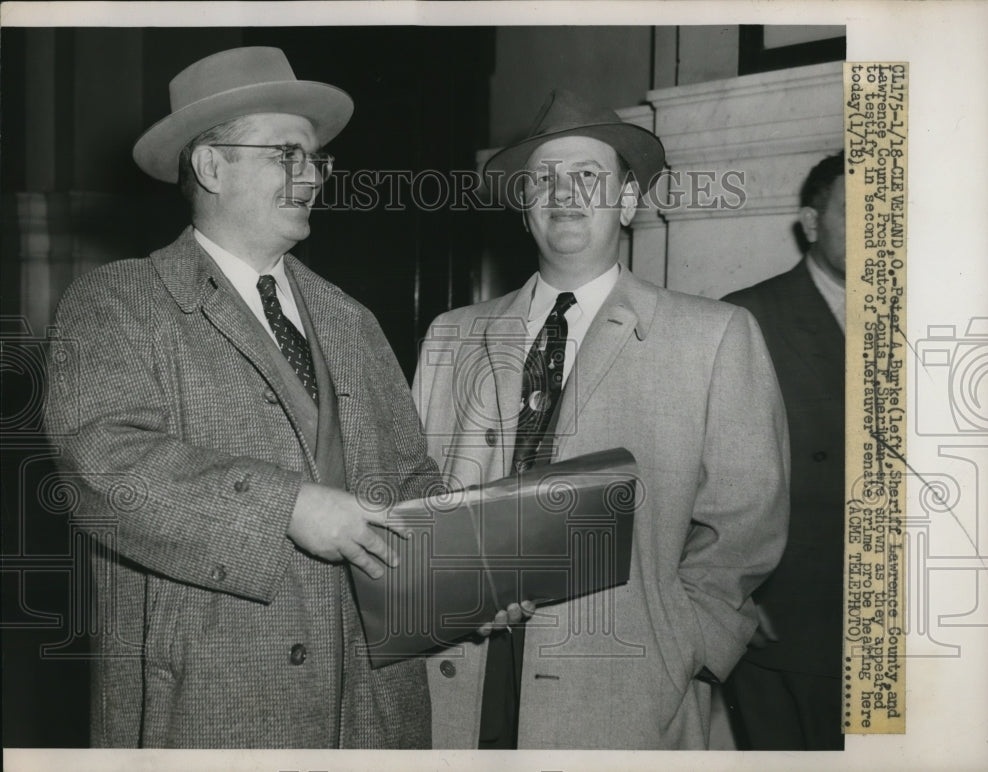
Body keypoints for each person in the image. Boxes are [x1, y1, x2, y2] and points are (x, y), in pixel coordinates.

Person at [43, 46, 436, 748]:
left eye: (317, 160)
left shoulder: (354, 319)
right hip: (208, 713)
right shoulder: (119, 302)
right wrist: (286, 506)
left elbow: (410, 481)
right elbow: (102, 466)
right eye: (288, 154)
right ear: (210, 166)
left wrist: (464, 573)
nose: (312, 175)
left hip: (369, 718)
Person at [412, 89, 790, 749]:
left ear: (626, 201)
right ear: (524, 208)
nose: (563, 193)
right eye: (543, 180)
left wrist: (685, 643)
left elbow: (746, 528)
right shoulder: (451, 335)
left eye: (587, 175)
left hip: (626, 688)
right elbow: (414, 490)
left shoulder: (713, 336)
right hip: (465, 681)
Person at [721, 151, 846, 750]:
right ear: (812, 221)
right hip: (786, 618)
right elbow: (705, 471)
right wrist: (731, 592)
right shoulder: (747, 317)